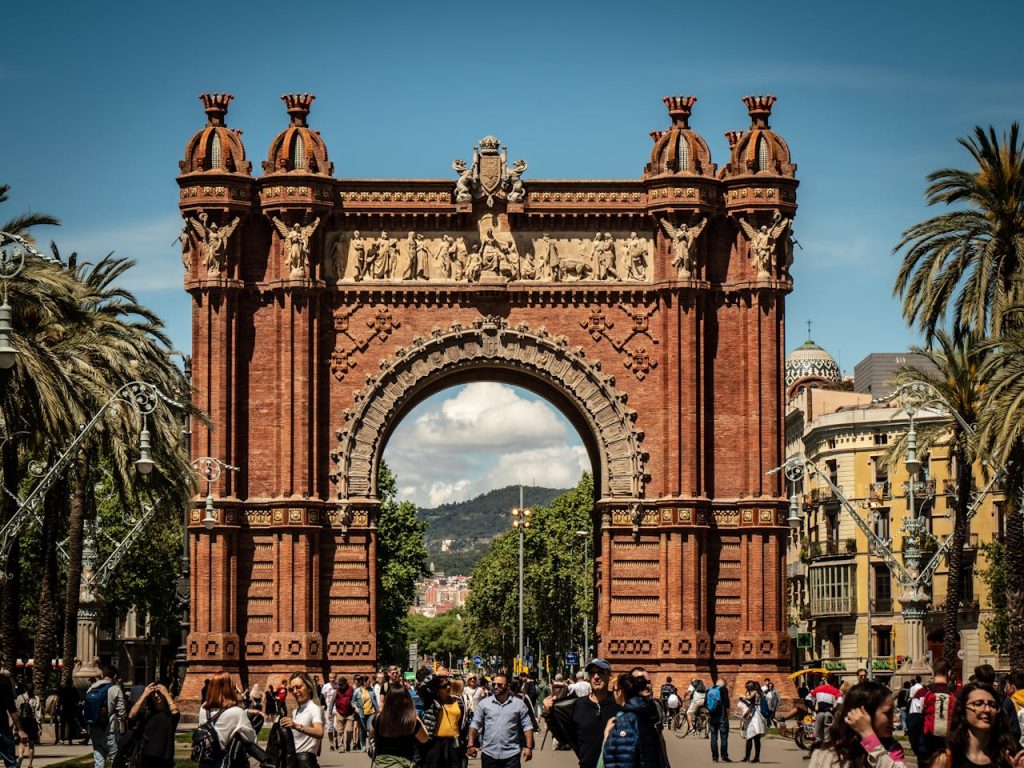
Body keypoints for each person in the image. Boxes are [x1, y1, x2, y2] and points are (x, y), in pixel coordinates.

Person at [809, 680, 905, 768]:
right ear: (864, 714)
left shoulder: (892, 749)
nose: (895, 719)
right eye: (888, 713)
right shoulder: (825, 752)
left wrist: (869, 738)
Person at [544, 659, 619, 768]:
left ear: (609, 676)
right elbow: (563, 738)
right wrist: (548, 713)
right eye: (592, 673)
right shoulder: (578, 705)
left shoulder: (619, 704)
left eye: (601, 672)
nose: (596, 677)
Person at [930, 681, 1024, 768]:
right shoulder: (947, 759)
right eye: (978, 704)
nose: (987, 710)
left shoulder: (1012, 752)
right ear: (962, 710)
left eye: (992, 705)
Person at [467, 673, 535, 768]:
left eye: (499, 685)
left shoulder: (519, 704)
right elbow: (475, 724)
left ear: (508, 686)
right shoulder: (484, 704)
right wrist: (470, 745)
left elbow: (527, 726)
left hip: (512, 755)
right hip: (489, 754)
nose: (495, 687)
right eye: (493, 684)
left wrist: (529, 747)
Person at [601, 673, 663, 768]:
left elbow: (620, 760)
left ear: (620, 692)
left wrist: (606, 736)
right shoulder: (644, 714)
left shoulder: (625, 721)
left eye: (614, 690)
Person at [196, 671, 256, 768]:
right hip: (224, 762)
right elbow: (251, 739)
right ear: (229, 688)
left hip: (205, 761)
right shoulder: (237, 712)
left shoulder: (203, 708)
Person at [910, 659, 955, 765]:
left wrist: (917, 748)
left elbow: (912, 722)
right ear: (949, 673)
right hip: (948, 751)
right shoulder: (955, 696)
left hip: (926, 749)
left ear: (932, 672)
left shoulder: (921, 693)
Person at [124, 682, 180, 768]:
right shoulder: (147, 713)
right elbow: (131, 715)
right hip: (146, 757)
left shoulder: (169, 715)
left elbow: (175, 712)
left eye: (159, 693)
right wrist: (144, 695)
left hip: (165, 758)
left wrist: (166, 693)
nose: (157, 696)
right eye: (154, 694)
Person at [371, 687, 429, 768]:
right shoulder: (411, 721)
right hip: (404, 763)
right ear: (407, 700)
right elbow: (424, 739)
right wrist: (417, 718)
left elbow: (372, 734)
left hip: (382, 763)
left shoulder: (378, 718)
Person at [423, 672, 469, 768]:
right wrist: (435, 674)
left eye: (449, 684)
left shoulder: (458, 701)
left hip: (454, 742)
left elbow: (463, 722)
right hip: (436, 743)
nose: (448, 687)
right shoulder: (431, 701)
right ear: (437, 689)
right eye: (444, 686)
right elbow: (421, 687)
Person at [86, 665, 127, 768]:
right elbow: (122, 712)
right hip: (110, 730)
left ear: (102, 675)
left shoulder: (91, 688)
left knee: (99, 761)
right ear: (115, 676)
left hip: (94, 729)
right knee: (115, 760)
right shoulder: (115, 689)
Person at [280, 673, 324, 768]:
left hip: (306, 763)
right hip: (293, 762)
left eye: (298, 687)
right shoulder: (296, 711)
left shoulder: (314, 708)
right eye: (292, 689)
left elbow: (320, 732)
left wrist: (297, 726)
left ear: (308, 687)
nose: (295, 691)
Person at [0, 668, 28, 768]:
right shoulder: (3, 681)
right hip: (2, 726)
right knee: (10, 762)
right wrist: (20, 729)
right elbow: (11, 707)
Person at [811, 674, 844, 746]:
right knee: (828, 735)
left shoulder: (817, 689)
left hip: (819, 713)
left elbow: (810, 699)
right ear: (834, 681)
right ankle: (826, 749)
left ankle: (817, 750)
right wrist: (834, 710)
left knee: (818, 735)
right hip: (829, 713)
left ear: (826, 680)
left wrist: (813, 708)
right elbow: (840, 701)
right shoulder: (835, 691)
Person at [739, 679, 766, 763]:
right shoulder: (760, 692)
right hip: (757, 715)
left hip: (754, 715)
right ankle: (755, 757)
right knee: (755, 738)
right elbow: (751, 702)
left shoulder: (755, 692)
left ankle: (749, 757)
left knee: (750, 737)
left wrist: (743, 697)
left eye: (747, 687)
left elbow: (749, 699)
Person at [14, 682, 40, 768]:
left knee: (22, 742)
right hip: (32, 722)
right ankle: (30, 764)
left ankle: (21, 755)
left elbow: (16, 712)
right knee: (31, 744)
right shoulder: (36, 698)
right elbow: (38, 713)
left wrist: (16, 725)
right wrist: (39, 725)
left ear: (25, 689)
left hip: (22, 722)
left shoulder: (19, 697)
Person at [706, 677, 731, 762]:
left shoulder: (709, 690)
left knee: (713, 738)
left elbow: (705, 704)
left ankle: (714, 757)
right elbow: (727, 704)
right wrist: (727, 714)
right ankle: (724, 756)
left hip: (712, 717)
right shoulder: (723, 689)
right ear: (723, 683)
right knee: (723, 737)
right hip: (722, 717)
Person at [353, 675, 379, 752]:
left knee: (370, 729)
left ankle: (371, 746)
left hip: (371, 712)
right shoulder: (357, 691)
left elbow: (375, 702)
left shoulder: (371, 690)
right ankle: (363, 746)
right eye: (368, 681)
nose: (370, 683)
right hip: (361, 713)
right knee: (362, 730)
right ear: (364, 682)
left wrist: (378, 711)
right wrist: (356, 707)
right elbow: (352, 701)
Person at [334, 676, 356, 752]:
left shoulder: (351, 689)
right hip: (339, 712)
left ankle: (348, 743)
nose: (340, 686)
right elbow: (332, 701)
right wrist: (330, 712)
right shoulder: (337, 690)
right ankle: (341, 747)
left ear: (346, 683)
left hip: (349, 713)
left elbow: (354, 699)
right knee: (340, 731)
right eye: (339, 684)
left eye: (341, 685)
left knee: (349, 730)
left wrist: (355, 707)